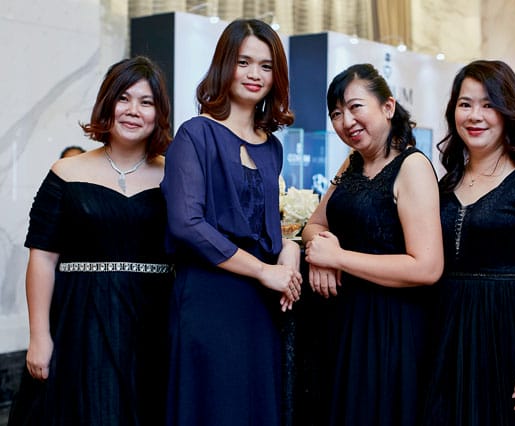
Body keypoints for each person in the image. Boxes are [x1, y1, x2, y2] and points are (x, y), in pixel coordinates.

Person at [7, 56, 174, 426]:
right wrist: (39, 336)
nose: (133, 111)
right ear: (107, 103)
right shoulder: (66, 172)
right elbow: (42, 258)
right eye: (123, 98)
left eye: (146, 102)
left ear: (159, 112)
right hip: (80, 318)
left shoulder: (175, 175)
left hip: (155, 320)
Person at [160, 19, 302, 426]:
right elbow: (187, 224)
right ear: (225, 65)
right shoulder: (195, 134)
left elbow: (264, 225)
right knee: (213, 407)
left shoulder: (272, 147)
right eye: (244, 62)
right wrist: (263, 271)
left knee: (255, 405)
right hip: (209, 294)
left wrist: (289, 251)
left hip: (259, 303)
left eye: (266, 66)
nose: (255, 74)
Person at [424, 60, 515, 425]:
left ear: (508, 112)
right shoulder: (445, 184)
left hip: (510, 335)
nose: (475, 116)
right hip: (448, 336)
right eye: (465, 104)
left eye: (488, 105)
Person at [301, 63, 444, 425]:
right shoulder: (352, 163)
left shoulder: (412, 167)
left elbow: (427, 267)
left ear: (388, 107)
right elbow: (313, 225)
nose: (346, 121)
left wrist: (339, 258)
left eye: (355, 107)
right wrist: (321, 253)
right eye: (336, 114)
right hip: (343, 319)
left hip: (390, 327)